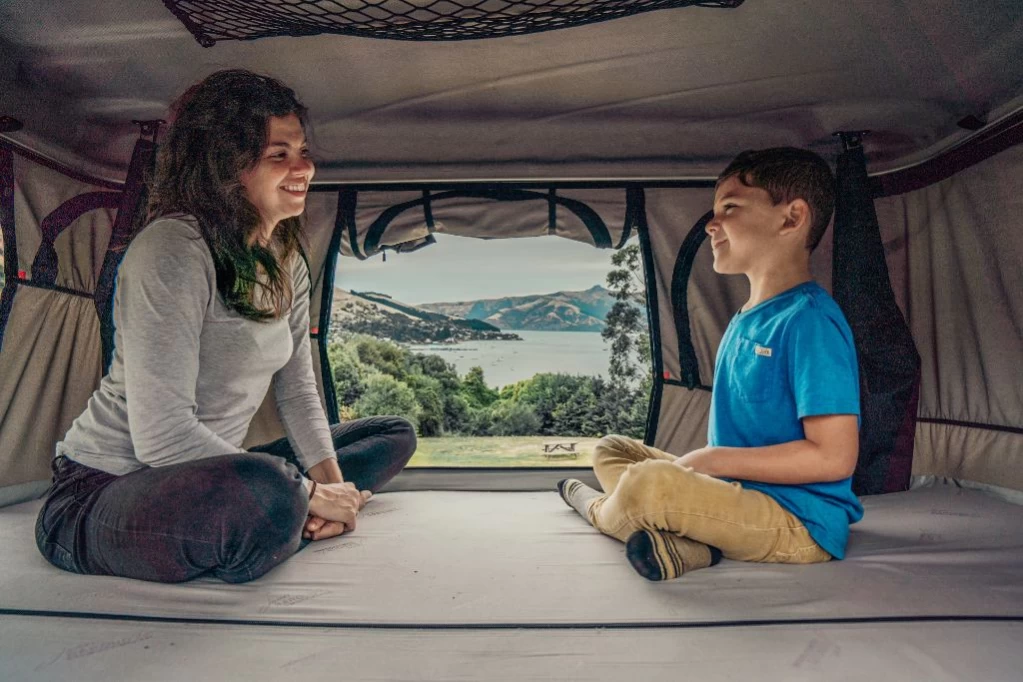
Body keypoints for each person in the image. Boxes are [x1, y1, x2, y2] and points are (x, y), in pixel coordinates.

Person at [34, 70, 416, 584]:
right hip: (102, 492)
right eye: (278, 155)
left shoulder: (286, 259)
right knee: (271, 488)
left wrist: (333, 492)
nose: (304, 167)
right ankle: (283, 509)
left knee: (391, 434)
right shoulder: (173, 249)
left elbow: (299, 390)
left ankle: (291, 512)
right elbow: (162, 439)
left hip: (213, 473)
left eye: (302, 150)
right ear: (225, 164)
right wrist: (306, 493)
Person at [559, 147, 863, 580]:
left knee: (648, 485)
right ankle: (692, 547)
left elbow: (833, 459)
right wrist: (708, 469)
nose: (710, 223)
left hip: (797, 521)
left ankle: (595, 508)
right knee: (613, 449)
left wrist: (712, 461)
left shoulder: (809, 321)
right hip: (734, 494)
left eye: (730, 208)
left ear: (791, 218)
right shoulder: (745, 318)